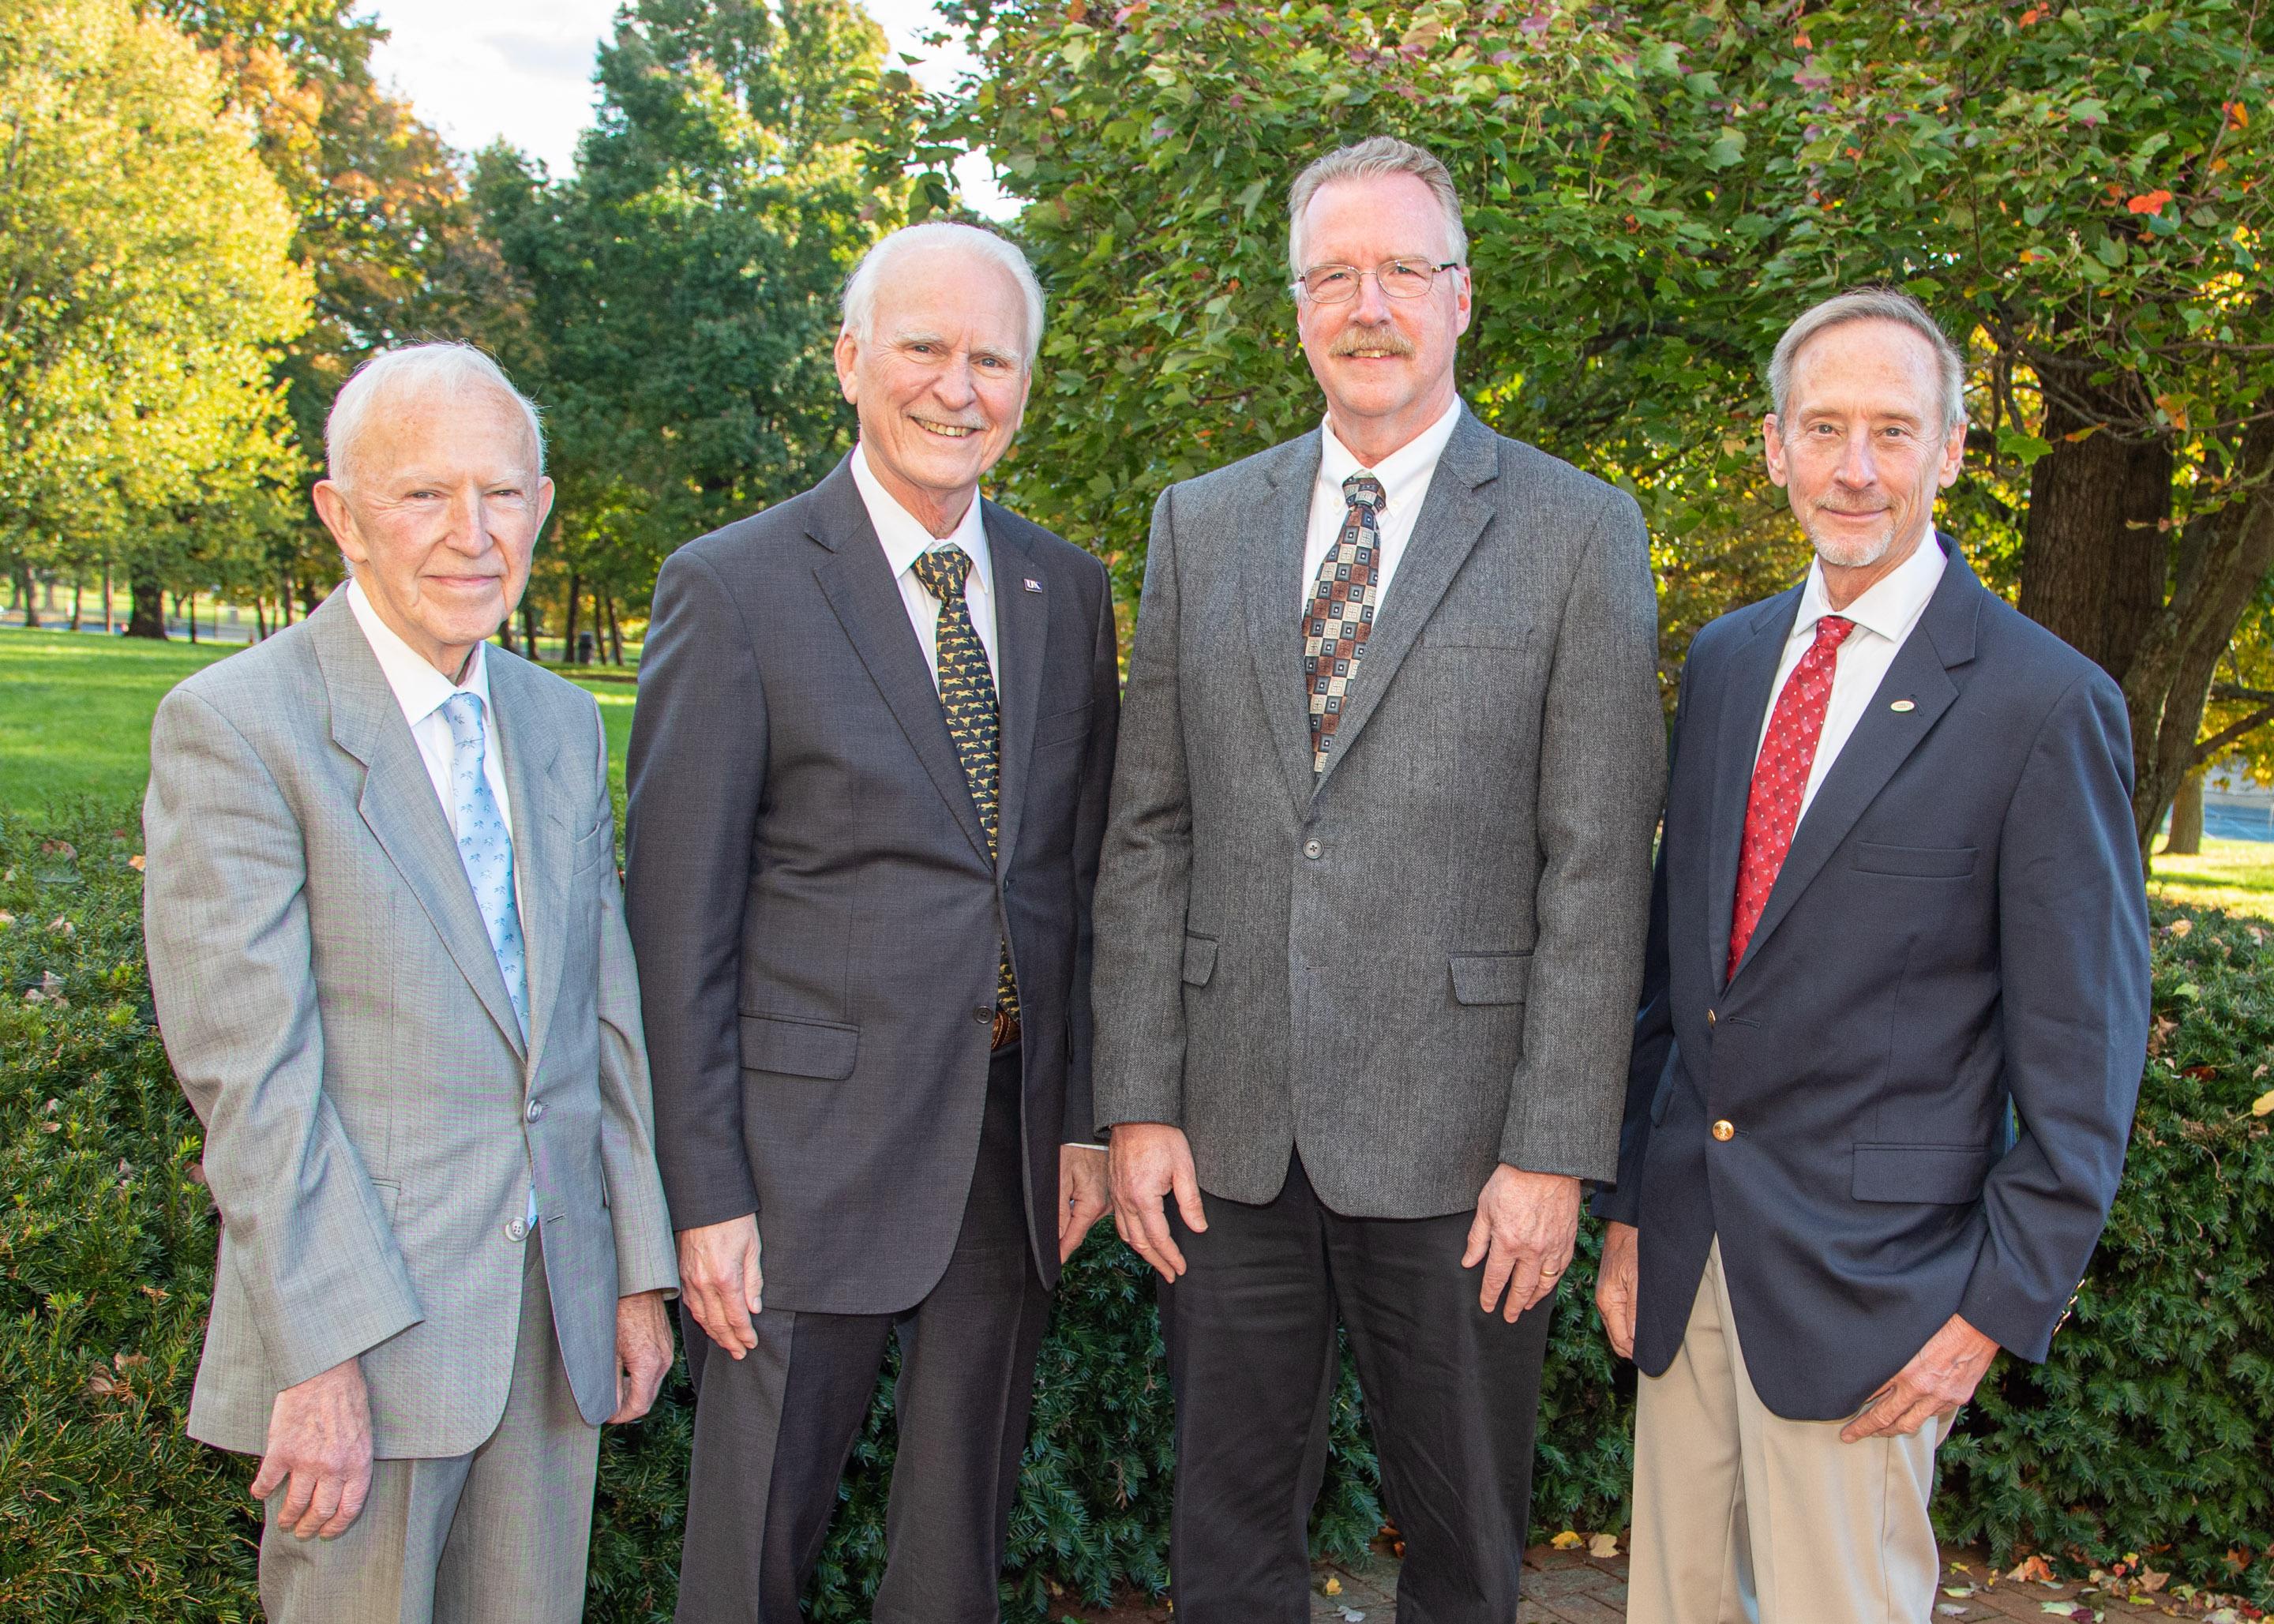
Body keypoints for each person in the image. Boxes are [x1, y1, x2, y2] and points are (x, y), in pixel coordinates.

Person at [1090, 136, 1665, 1622]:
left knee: (1467, 1550)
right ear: (1295, 307)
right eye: (1333, 274)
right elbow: (1150, 832)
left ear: (1462, 299)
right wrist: (1140, 1099)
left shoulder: (1576, 529)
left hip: (1471, 1150)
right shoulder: (1196, 524)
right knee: (1225, 1538)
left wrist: (1554, 1153)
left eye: (1402, 270)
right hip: (1228, 1136)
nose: (1369, 304)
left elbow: (1599, 866)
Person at [1591, 287, 2150, 1623]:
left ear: (1951, 450)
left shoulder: (2043, 701)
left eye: (1892, 432)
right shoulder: (1727, 664)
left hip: (1881, 1290)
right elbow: (1680, 978)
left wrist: (1990, 1313)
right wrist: (1627, 1207)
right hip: (1691, 1264)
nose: (1855, 468)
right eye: (1824, 427)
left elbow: (2084, 1052)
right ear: (1773, 444)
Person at [626, 221, 1120, 1623]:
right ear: (850, 361)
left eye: (992, 358)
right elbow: (678, 925)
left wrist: (1083, 1117)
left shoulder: (1065, 590)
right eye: (923, 347)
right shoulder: (734, 587)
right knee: (753, 1548)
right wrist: (703, 1193)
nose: (957, 387)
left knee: (955, 1543)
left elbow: (1078, 882)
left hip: (1004, 1143)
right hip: (798, 1168)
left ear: (1024, 385)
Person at [141, 343, 679, 1624]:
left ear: (543, 507)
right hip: (360, 1344)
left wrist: (635, 1265)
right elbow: (255, 1085)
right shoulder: (238, 727)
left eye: (502, 494)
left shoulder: (557, 723)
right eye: (422, 495)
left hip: (549, 1327)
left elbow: (599, 1017)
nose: (471, 534)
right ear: (340, 514)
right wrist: (319, 1356)